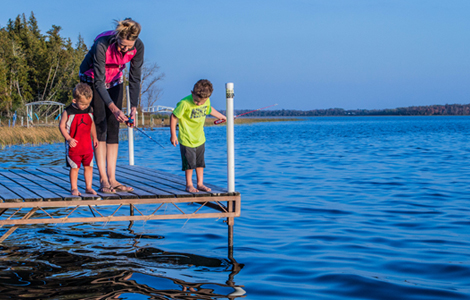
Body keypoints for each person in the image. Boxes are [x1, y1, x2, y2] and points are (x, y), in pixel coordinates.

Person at [79, 18, 144, 193]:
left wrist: (133, 108)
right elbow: (99, 82)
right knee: (101, 124)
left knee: (114, 127)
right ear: (117, 38)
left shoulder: (138, 47)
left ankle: (113, 178)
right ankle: (103, 180)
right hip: (92, 79)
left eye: (128, 47)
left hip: (115, 79)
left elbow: (135, 78)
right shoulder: (102, 44)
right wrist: (113, 108)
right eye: (122, 46)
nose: (125, 50)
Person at [170, 79, 227, 193]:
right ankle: (189, 184)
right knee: (189, 163)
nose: (199, 104)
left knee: (200, 163)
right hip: (187, 138)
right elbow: (174, 117)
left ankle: (200, 183)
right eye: (196, 101)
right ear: (192, 93)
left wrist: (222, 116)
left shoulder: (206, 101)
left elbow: (209, 109)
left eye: (201, 102)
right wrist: (173, 135)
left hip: (200, 138)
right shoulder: (184, 103)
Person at [59, 83, 98, 196]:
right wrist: (68, 138)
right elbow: (62, 126)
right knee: (75, 167)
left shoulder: (89, 109)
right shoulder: (68, 111)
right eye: (83, 104)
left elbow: (92, 124)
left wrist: (94, 137)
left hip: (86, 145)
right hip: (74, 146)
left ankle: (88, 187)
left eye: (87, 103)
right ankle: (74, 188)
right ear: (75, 101)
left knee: (89, 167)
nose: (85, 106)